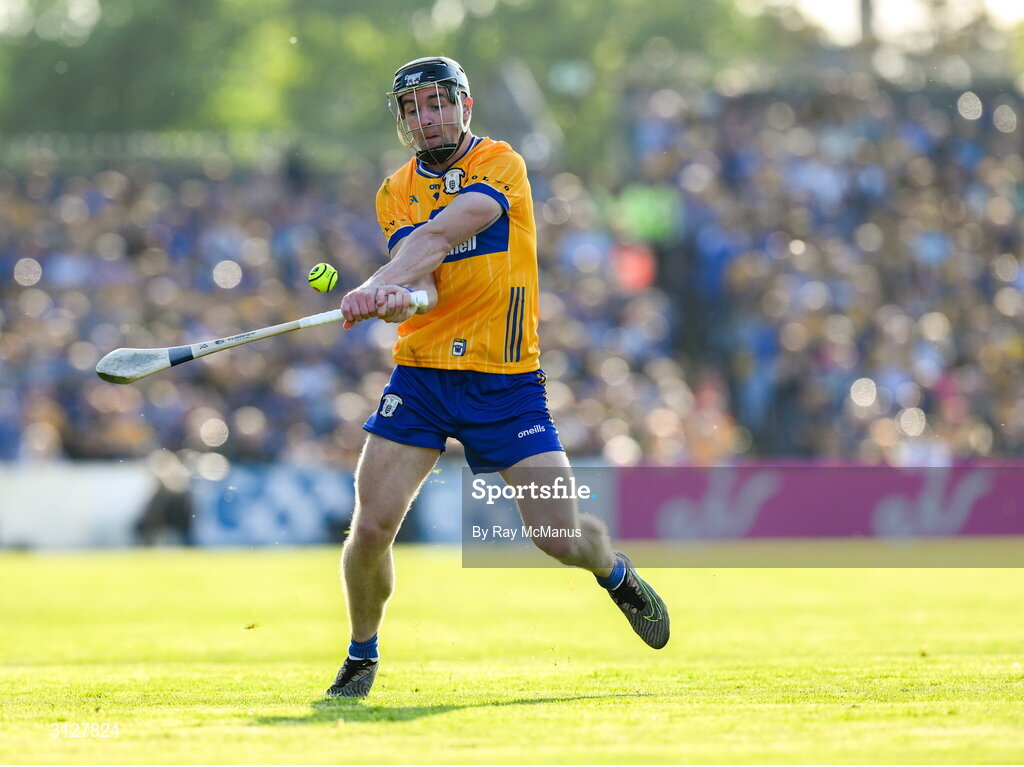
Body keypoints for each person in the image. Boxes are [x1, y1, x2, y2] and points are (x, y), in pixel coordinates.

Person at [326, 56, 669, 698]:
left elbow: (443, 233)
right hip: (424, 376)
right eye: (414, 109)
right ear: (403, 121)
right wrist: (398, 299)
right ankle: (361, 654)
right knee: (371, 525)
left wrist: (373, 286)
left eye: (438, 103)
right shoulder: (393, 190)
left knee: (559, 537)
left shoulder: (501, 166)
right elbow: (423, 281)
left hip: (505, 382)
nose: (428, 118)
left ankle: (615, 573)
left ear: (464, 106)